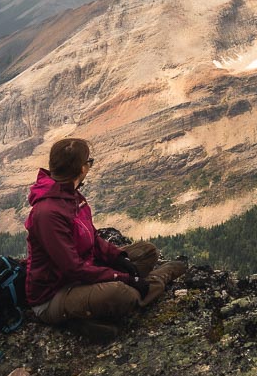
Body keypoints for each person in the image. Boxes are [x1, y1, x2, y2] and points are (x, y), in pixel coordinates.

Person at [24, 137, 187, 341]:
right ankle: (158, 279)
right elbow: (73, 268)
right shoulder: (48, 213)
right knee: (122, 294)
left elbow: (93, 238)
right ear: (82, 168)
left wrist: (119, 258)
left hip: (82, 275)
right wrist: (124, 278)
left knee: (147, 251)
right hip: (55, 294)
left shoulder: (70, 195)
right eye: (89, 161)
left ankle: (87, 315)